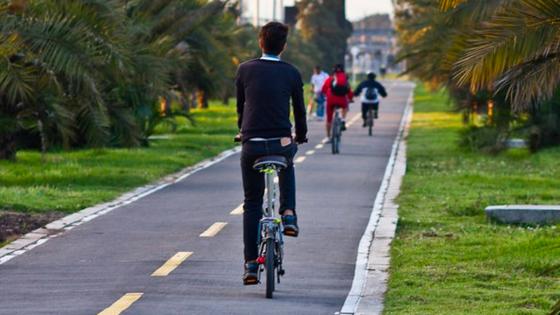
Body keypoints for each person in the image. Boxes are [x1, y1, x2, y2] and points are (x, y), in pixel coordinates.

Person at [235, 22, 308, 285]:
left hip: (251, 143)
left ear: (260, 42)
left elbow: (241, 108)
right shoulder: (291, 72)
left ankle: (251, 265)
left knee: (252, 203)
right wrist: (301, 135)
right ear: (283, 46)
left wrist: (241, 131)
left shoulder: (244, 70)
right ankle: (288, 212)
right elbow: (299, 111)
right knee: (288, 162)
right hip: (280, 142)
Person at [322, 64, 353, 138]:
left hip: (330, 100)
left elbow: (323, 89)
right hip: (342, 100)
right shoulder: (345, 78)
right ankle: (343, 119)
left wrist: (326, 95)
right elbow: (349, 91)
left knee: (329, 119)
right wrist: (351, 98)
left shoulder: (330, 78)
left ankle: (328, 137)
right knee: (345, 106)